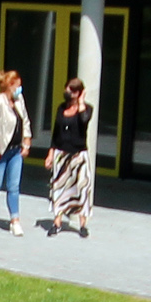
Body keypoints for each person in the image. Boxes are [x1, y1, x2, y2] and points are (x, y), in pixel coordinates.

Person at [0, 68, 32, 238]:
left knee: (14, 187)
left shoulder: (19, 100)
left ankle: (15, 221)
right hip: (0, 152)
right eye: (17, 85)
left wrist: (26, 143)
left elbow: (25, 121)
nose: (19, 89)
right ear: (10, 85)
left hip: (15, 151)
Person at [46, 76, 95, 237]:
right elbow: (56, 133)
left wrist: (80, 102)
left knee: (82, 189)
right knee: (59, 189)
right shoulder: (61, 108)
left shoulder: (87, 109)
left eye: (72, 90)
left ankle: (83, 225)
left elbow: (84, 120)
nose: (68, 92)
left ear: (79, 93)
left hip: (79, 156)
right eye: (67, 88)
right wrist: (51, 153)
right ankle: (57, 223)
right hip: (61, 155)